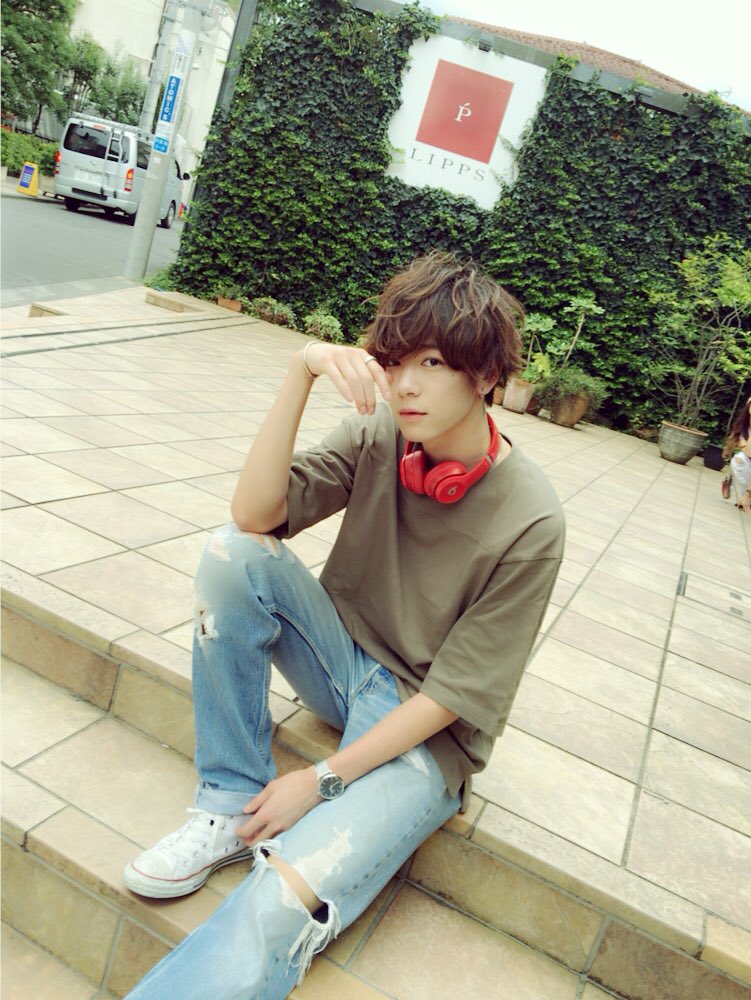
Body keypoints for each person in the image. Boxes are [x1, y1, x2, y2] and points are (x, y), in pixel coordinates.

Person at [123, 251, 565, 999]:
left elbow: (451, 697)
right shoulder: (381, 434)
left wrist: (319, 780)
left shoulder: (532, 520)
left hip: (424, 730)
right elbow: (255, 515)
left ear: (488, 374)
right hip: (342, 665)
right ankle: (227, 802)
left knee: (276, 907)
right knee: (234, 554)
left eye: (432, 362)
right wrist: (300, 371)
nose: (405, 384)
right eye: (394, 361)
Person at [722, 395, 751, 512]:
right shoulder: (743, 428)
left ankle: (747, 497)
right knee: (738, 459)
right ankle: (743, 498)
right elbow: (749, 453)